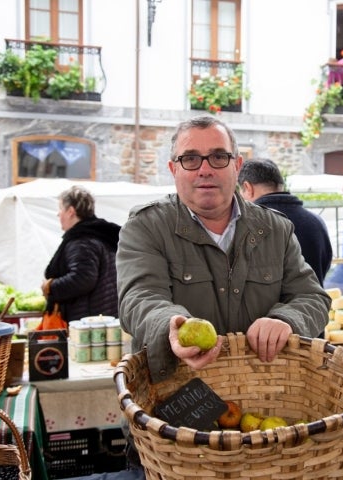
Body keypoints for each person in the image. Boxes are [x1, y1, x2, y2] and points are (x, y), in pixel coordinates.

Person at [116, 115, 330, 382]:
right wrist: (172, 325)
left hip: (261, 397)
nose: (205, 169)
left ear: (237, 166)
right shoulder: (146, 227)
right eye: (190, 159)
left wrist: (287, 319)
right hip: (175, 400)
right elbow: (139, 298)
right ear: (174, 169)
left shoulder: (275, 229)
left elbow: (313, 297)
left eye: (218, 157)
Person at [238, 158, 333, 285]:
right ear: (280, 185)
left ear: (247, 187)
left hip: (273, 305)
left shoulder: (247, 224)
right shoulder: (316, 222)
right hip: (313, 303)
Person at [41, 185, 120, 323]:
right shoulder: (101, 235)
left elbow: (83, 278)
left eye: (60, 208)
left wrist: (50, 287)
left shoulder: (82, 241)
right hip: (103, 315)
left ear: (71, 211)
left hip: (89, 321)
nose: (58, 214)